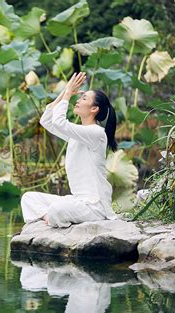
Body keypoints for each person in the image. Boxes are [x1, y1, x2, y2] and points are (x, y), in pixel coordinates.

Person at [21, 72, 118, 228]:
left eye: (84, 98)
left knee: (57, 209)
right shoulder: (78, 134)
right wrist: (64, 92)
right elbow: (46, 120)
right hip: (77, 201)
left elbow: (59, 123)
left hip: (94, 207)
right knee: (28, 197)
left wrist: (67, 95)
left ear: (94, 109)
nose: (78, 100)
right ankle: (49, 218)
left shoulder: (96, 133)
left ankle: (50, 217)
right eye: (79, 97)